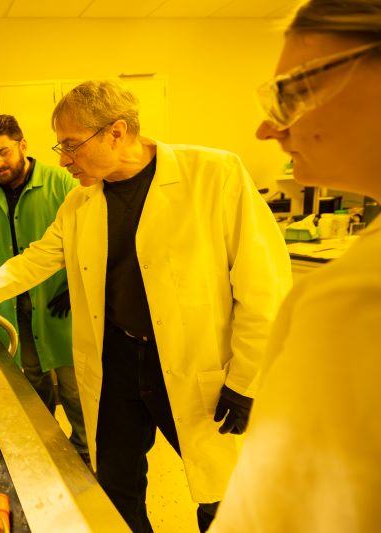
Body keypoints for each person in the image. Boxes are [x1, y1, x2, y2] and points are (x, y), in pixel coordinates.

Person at [0, 80, 292, 532]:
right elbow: (38, 257)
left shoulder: (213, 174)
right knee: (116, 485)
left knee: (224, 493)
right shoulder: (80, 203)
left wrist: (248, 379)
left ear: (116, 132)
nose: (63, 159)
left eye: (71, 145)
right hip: (117, 364)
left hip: (196, 365)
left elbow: (265, 285)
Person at [210, 2, 381, 531]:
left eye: (296, 91)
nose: (268, 129)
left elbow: (266, 519)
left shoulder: (352, 301)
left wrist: (244, 380)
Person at [0, 114, 87, 457]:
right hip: (15, 311)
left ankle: (84, 450)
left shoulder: (62, 184)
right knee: (33, 383)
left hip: (59, 307)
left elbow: (86, 240)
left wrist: (74, 284)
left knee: (73, 388)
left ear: (22, 145)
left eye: (4, 152)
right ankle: (49, 444)